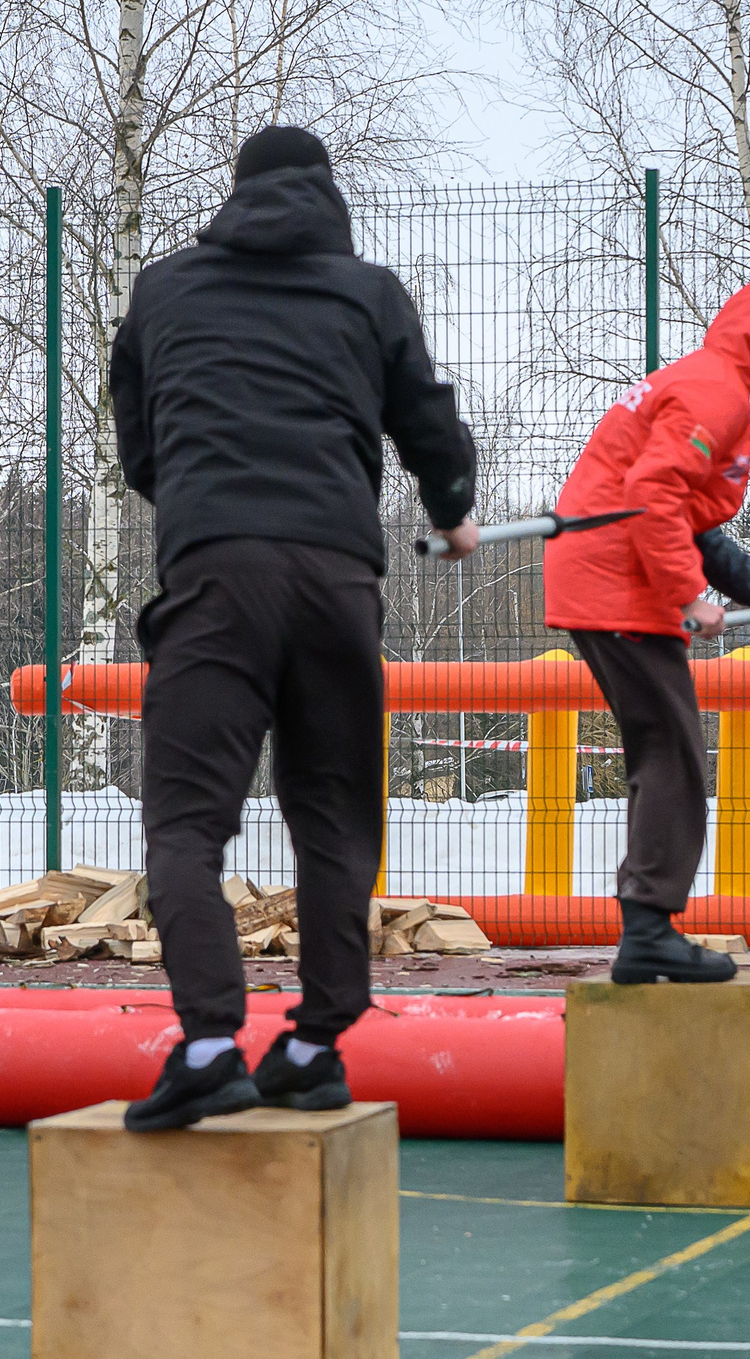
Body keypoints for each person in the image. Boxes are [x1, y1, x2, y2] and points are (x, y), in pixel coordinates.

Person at [110, 125, 477, 1131]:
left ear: (235, 196)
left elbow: (140, 452)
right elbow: (431, 425)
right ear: (327, 196)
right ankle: (316, 1044)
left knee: (187, 824)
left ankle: (209, 1042)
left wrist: (204, 495)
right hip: (336, 578)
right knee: (334, 817)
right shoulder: (368, 293)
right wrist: (451, 514)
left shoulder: (162, 291)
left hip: (215, 571)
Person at [544, 273, 750, 983]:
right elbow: (651, 493)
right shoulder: (715, 393)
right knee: (674, 755)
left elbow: (686, 521)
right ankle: (648, 928)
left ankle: (647, 923)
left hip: (605, 573)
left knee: (660, 749)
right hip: (620, 582)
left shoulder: (706, 381)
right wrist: (689, 596)